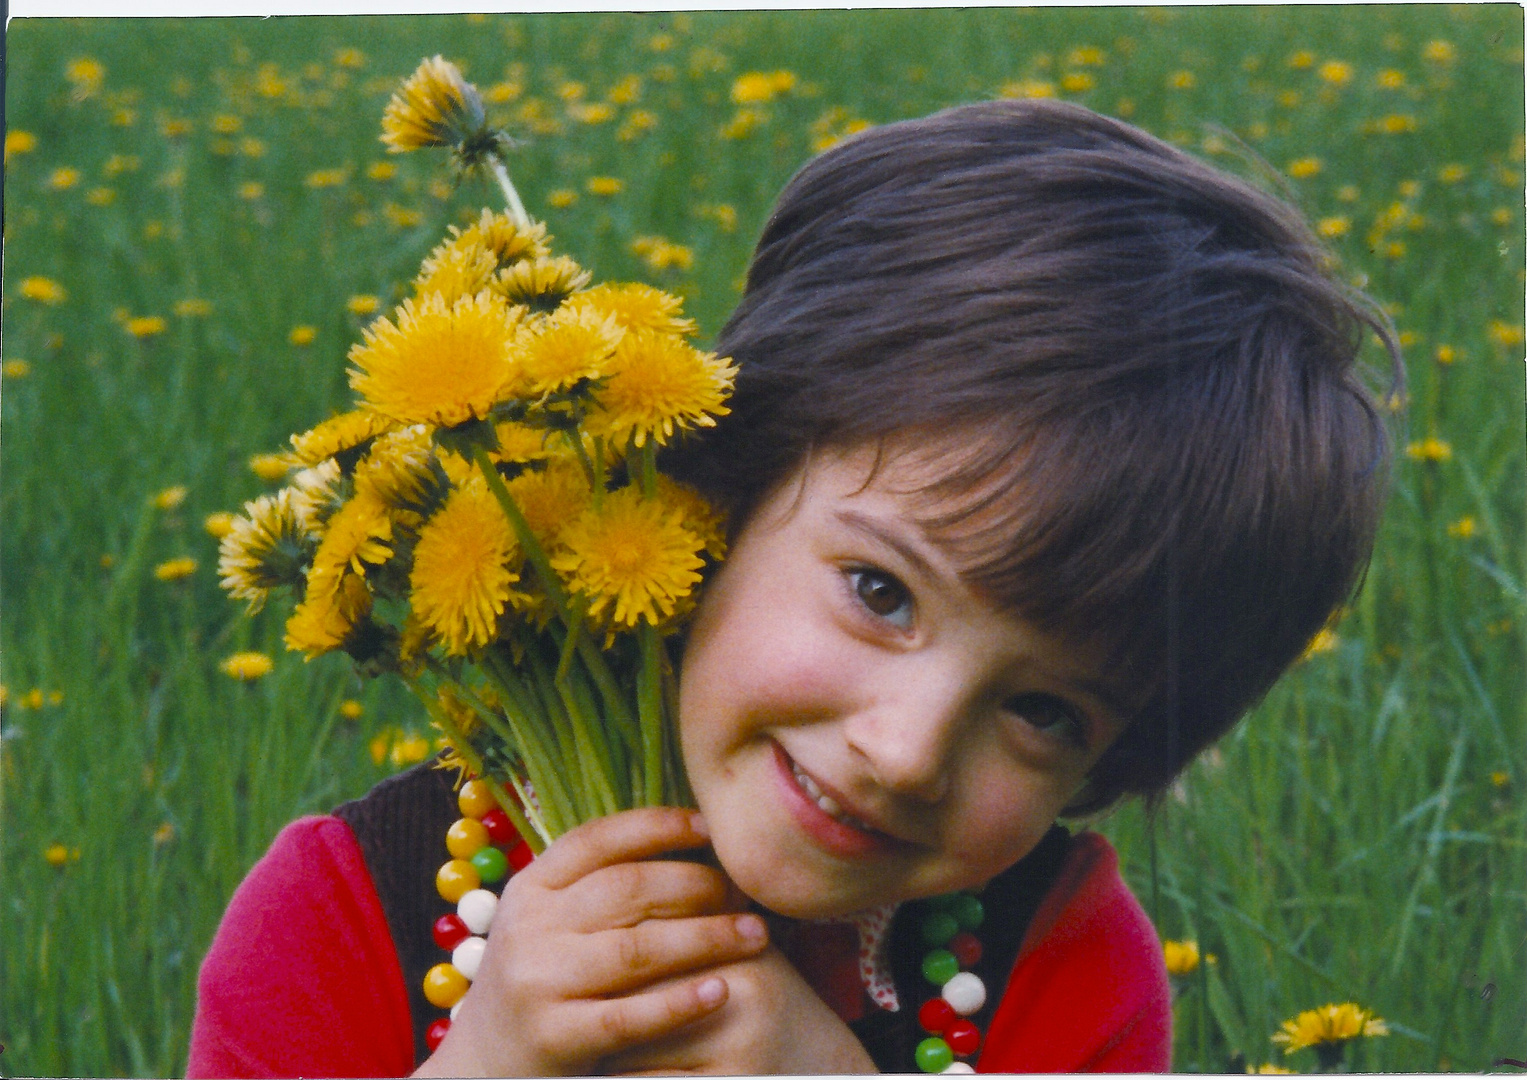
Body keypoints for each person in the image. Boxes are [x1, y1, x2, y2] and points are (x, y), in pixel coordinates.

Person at [187, 99, 1399, 1076]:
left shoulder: (1061, 974)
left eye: (1044, 713)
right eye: (880, 590)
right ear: (715, 488)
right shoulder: (344, 920)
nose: (909, 751)